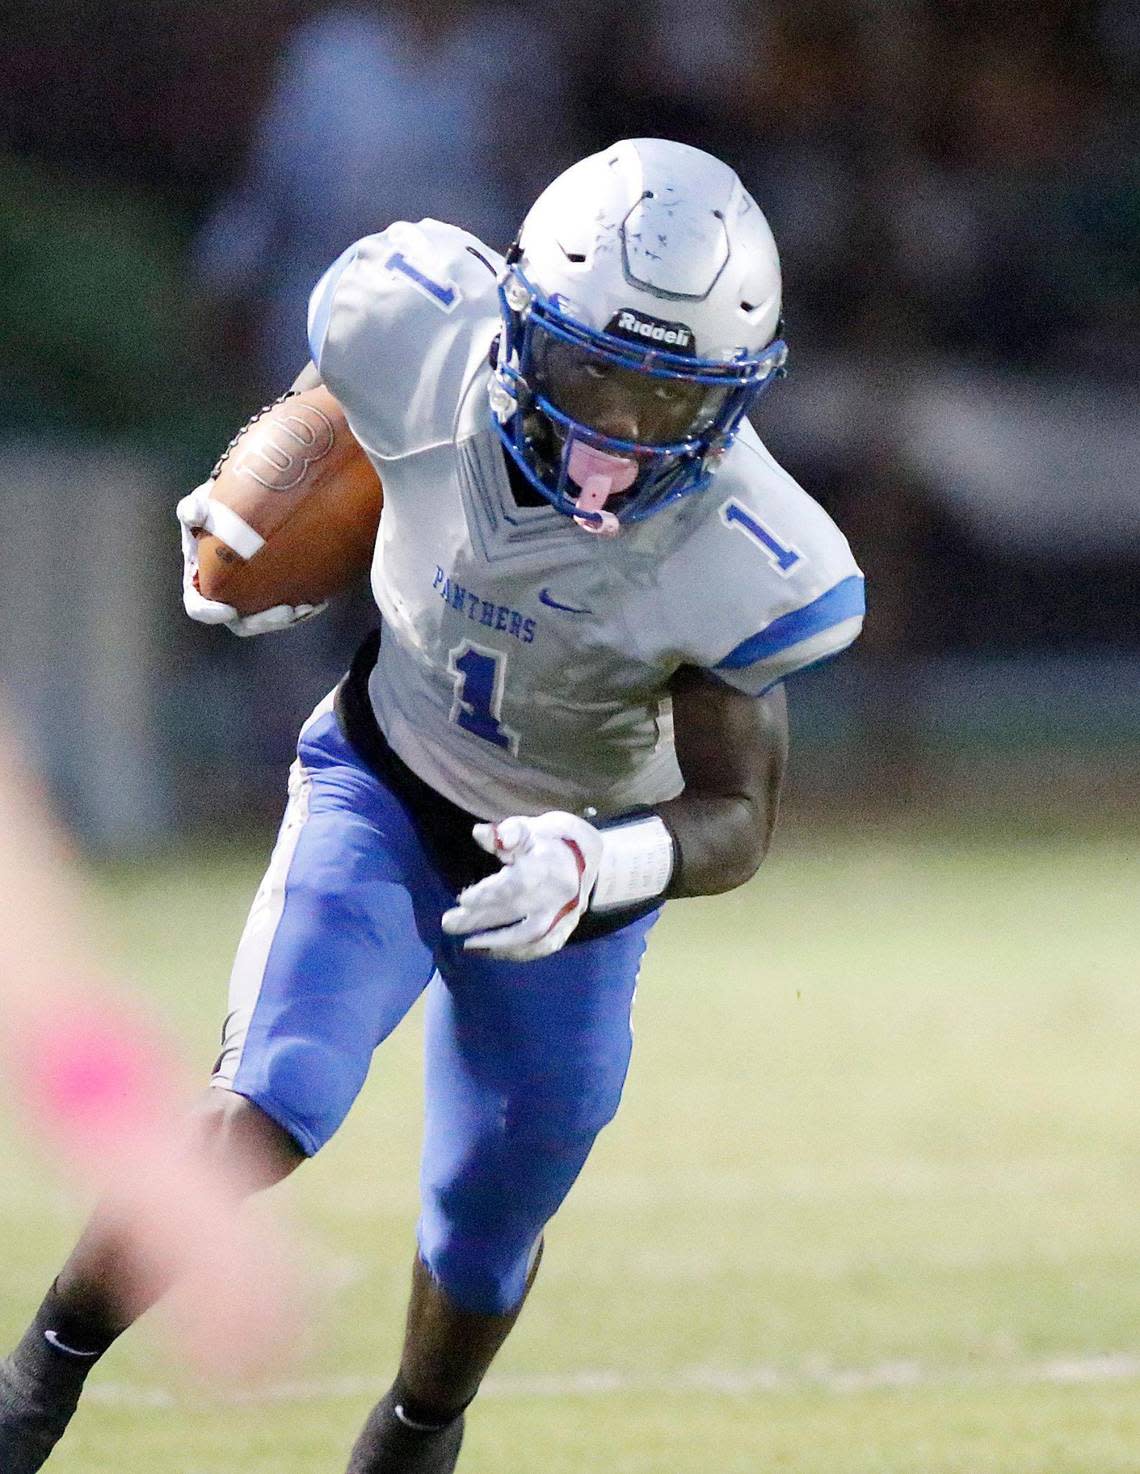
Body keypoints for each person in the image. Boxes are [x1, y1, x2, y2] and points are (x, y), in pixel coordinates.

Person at [0, 137, 865, 1473]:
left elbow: (739, 815)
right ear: (524, 325)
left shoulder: (752, 553)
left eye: (668, 399)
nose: (620, 435)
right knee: (271, 1096)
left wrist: (608, 862)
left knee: (482, 1221)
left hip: (573, 880)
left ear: (736, 399)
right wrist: (258, 495)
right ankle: (37, 1380)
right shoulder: (415, 324)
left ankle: (415, 1433)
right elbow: (332, 401)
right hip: (387, 786)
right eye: (595, 375)